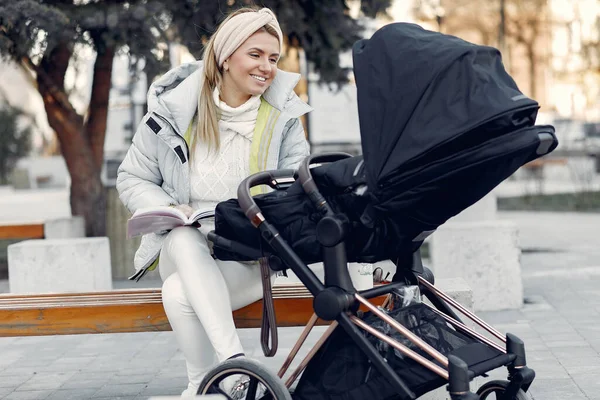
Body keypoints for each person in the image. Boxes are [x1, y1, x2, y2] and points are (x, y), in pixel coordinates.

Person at [116, 7, 311, 397]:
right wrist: (173, 209)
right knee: (184, 237)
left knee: (177, 294)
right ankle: (237, 367)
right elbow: (132, 177)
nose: (266, 67)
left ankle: (205, 387)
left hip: (250, 255)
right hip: (184, 246)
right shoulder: (172, 112)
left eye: (273, 58)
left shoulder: (283, 120)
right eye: (255, 54)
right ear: (225, 56)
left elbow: (299, 190)